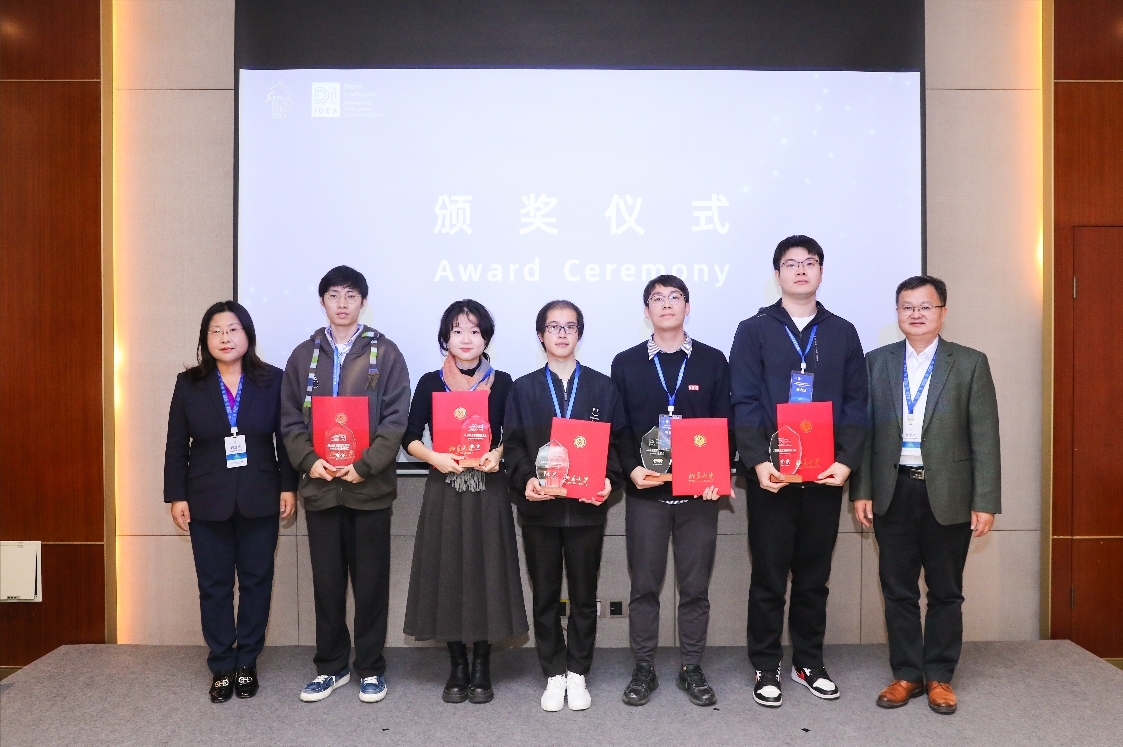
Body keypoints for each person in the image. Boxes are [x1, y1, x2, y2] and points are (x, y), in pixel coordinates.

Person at [729, 235, 868, 708]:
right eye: (791, 264)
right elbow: (744, 400)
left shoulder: (843, 331)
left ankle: (809, 662)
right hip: (772, 475)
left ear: (821, 272)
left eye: (810, 262)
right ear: (778, 275)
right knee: (768, 576)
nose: (801, 270)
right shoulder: (753, 329)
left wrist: (846, 460)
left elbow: (857, 402)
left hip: (824, 474)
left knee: (813, 577)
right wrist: (758, 461)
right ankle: (766, 665)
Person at [851, 275, 1000, 715]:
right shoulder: (876, 362)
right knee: (897, 589)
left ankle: (939, 676)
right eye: (907, 307)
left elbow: (985, 436)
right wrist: (862, 490)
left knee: (945, 591)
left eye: (925, 306)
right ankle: (906, 674)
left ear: (943, 312)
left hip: (949, 492)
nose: (916, 314)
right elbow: (865, 434)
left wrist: (985, 499)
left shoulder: (970, 363)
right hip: (892, 490)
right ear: (897, 313)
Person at [279, 265, 411, 704]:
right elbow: (289, 420)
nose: (342, 303)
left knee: (371, 585)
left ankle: (370, 668)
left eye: (350, 296)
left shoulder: (386, 353)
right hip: (321, 490)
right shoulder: (303, 356)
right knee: (327, 585)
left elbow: (396, 420)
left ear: (363, 302)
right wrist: (309, 461)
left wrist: (365, 466)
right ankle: (331, 667)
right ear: (322, 301)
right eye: (334, 295)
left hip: (368, 490)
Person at [164, 301, 297, 703]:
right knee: (214, 585)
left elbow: (286, 440)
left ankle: (247, 662)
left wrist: (288, 486)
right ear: (205, 339)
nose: (225, 338)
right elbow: (176, 445)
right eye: (216, 331)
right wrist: (176, 495)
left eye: (233, 329)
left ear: (248, 335)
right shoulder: (189, 383)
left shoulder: (272, 380)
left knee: (257, 582)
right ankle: (222, 664)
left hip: (261, 494)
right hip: (205, 498)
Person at [610, 275, 732, 708]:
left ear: (687, 306)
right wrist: (631, 470)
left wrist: (719, 472)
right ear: (646, 311)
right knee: (644, 588)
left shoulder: (713, 361)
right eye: (657, 299)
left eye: (674, 297)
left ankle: (691, 667)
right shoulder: (626, 363)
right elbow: (619, 428)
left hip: (698, 498)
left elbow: (725, 424)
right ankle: (644, 668)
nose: (666, 304)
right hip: (647, 496)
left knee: (695, 588)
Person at [402, 299, 528, 703]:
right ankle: (457, 663)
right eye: (458, 331)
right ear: (446, 338)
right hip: (445, 488)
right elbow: (409, 436)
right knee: (448, 571)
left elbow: (514, 434)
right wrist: (433, 457)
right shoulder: (431, 382)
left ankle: (482, 665)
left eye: (475, 331)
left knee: (486, 571)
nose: (466, 338)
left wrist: (499, 453)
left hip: (488, 489)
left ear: (486, 338)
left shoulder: (503, 382)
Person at [503, 300, 626, 712]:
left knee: (585, 596)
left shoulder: (603, 387)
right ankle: (554, 673)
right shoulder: (523, 389)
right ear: (541, 335)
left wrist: (608, 480)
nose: (561, 334)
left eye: (569, 327)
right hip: (540, 510)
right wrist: (526, 480)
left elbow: (617, 444)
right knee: (545, 595)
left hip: (586, 511)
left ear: (579, 334)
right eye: (553, 327)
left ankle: (578, 672)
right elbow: (514, 446)